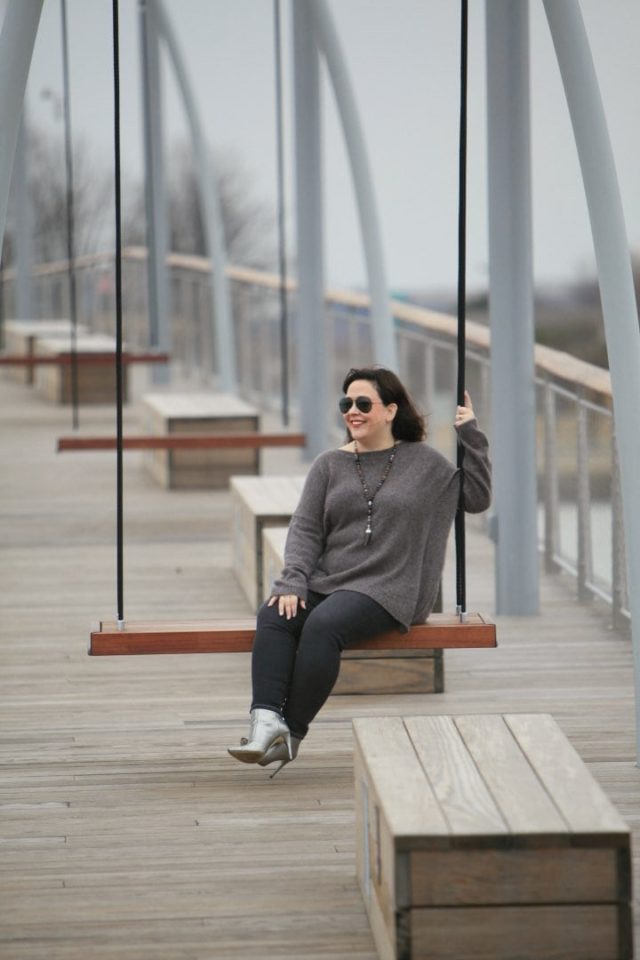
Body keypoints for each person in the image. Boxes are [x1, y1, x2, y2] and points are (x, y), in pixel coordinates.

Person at [228, 366, 491, 776]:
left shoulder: (424, 464)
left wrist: (470, 432)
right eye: (346, 403)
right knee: (275, 613)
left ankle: (291, 733)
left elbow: (476, 496)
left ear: (390, 410)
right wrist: (293, 579)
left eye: (363, 403)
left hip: (392, 586)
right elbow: (306, 528)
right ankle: (264, 724)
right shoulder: (329, 465)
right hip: (331, 580)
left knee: (322, 625)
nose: (353, 410)